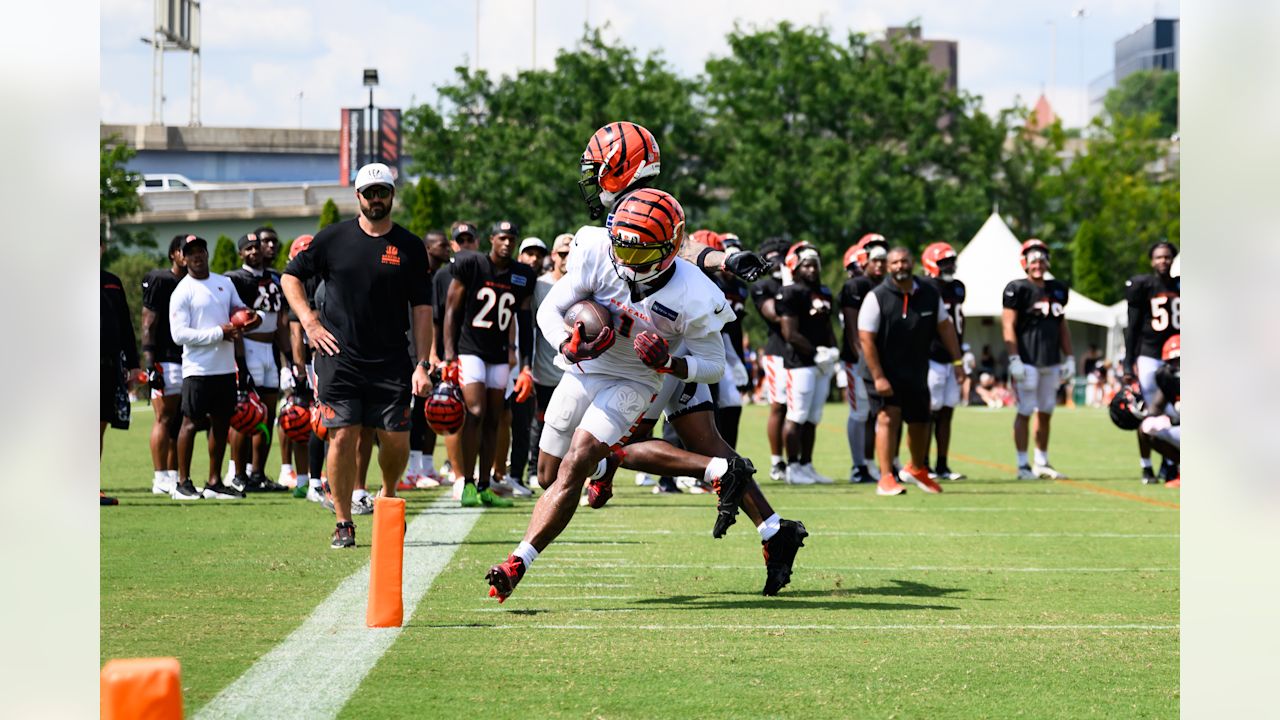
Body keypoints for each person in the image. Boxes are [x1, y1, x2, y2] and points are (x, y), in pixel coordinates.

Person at [547, 121, 805, 596]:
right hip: (666, 343)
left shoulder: (636, 207)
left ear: (620, 168)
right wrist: (722, 260)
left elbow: (679, 247)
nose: (589, 179)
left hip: (658, 348)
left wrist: (720, 261)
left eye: (596, 169)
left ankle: (602, 471)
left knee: (616, 442)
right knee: (706, 441)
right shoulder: (635, 206)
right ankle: (774, 530)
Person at [486, 187, 756, 603]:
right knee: (547, 475)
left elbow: (714, 363)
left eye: (638, 253)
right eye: (622, 249)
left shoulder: (695, 292)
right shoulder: (598, 250)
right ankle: (604, 463)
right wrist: (565, 344)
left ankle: (518, 561)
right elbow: (549, 310)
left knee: (576, 459)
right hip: (582, 368)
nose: (625, 262)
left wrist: (671, 364)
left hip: (635, 379)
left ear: (670, 246)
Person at [281, 163, 434, 549]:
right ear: (358, 196)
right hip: (340, 358)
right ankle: (344, 520)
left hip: (391, 360)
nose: (376, 199)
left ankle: (386, 494)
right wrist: (310, 323)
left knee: (396, 441)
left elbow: (422, 309)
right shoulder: (332, 239)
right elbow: (289, 277)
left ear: (392, 194)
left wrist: (423, 363)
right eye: (369, 193)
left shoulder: (410, 246)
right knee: (343, 436)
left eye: (382, 191)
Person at [441, 220, 536, 508]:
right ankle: (466, 482)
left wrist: (526, 365)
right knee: (476, 411)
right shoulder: (472, 264)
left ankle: (485, 484)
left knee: (495, 418)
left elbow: (524, 320)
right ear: (492, 239)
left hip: (499, 353)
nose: (507, 243)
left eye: (512, 238)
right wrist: (448, 355)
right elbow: (451, 310)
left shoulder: (522, 275)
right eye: (502, 237)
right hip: (471, 349)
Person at [859, 247, 963, 496]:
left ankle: (916, 469)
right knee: (888, 417)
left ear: (912, 263)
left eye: (904, 261)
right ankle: (885, 478)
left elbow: (946, 328)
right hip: (882, 370)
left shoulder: (929, 293)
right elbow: (866, 339)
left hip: (915, 370)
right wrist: (879, 377)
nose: (899, 266)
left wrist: (958, 363)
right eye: (894, 262)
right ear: (887, 267)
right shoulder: (877, 297)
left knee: (921, 422)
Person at [168, 235, 260, 500]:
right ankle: (183, 483)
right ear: (183, 258)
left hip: (225, 368)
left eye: (201, 251)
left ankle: (214, 482)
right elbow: (179, 334)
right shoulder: (182, 291)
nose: (197, 256)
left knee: (221, 425)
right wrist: (217, 333)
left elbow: (239, 311)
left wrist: (253, 318)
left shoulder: (225, 283)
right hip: (197, 368)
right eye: (191, 253)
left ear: (207, 254)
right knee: (190, 423)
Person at [1002, 239, 1074, 480]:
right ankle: (1022, 464)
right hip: (1027, 359)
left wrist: (1070, 357)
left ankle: (1041, 461)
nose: (1038, 264)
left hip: (1051, 360)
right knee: (1025, 410)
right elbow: (1008, 325)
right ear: (1025, 263)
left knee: (1046, 411)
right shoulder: (1017, 288)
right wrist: (1014, 358)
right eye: (1033, 260)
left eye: (1042, 260)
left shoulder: (1058, 289)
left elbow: (1061, 325)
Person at [225, 231, 289, 492]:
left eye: (256, 247)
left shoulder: (275, 277)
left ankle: (258, 473)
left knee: (267, 414)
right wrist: (238, 358)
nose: (254, 251)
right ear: (241, 253)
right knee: (244, 413)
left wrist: (291, 359)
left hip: (270, 350)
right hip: (249, 348)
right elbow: (233, 318)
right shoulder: (234, 279)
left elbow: (282, 321)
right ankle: (238, 473)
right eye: (248, 248)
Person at [776, 243, 838, 485]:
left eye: (815, 265)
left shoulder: (823, 291)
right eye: (807, 265)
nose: (812, 269)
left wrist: (833, 350)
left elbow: (827, 325)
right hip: (800, 363)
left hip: (821, 361)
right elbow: (789, 333)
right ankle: (792, 467)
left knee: (813, 417)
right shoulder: (790, 292)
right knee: (797, 416)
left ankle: (806, 464)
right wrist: (814, 354)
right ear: (796, 267)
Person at [1123, 241, 1180, 484]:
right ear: (1151, 260)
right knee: (1150, 411)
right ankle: (1147, 466)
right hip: (1149, 354)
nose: (1163, 261)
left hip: (1178, 356)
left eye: (1167, 257)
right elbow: (1133, 325)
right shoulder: (1143, 285)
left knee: (1174, 410)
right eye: (1158, 257)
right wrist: (1128, 362)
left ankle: (1171, 464)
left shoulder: (1181, 284)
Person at [432, 221, 479, 491]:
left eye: (469, 239)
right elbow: (436, 320)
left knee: (480, 415)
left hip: (480, 351)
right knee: (451, 411)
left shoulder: (485, 268)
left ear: (477, 241)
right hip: (453, 353)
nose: (464, 245)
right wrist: (436, 355)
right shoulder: (443, 275)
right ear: (453, 244)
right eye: (460, 240)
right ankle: (459, 475)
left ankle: (484, 475)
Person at [140, 234, 187, 496]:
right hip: (166, 358)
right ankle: (160, 477)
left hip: (189, 358)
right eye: (184, 251)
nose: (188, 256)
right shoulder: (162, 279)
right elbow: (148, 322)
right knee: (164, 417)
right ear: (173, 254)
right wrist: (149, 361)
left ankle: (173, 475)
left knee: (180, 421)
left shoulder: (193, 283)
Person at [502, 236, 548, 495]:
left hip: (527, 364)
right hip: (500, 360)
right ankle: (486, 475)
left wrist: (527, 365)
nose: (533, 259)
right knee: (494, 420)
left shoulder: (541, 287)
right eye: (528, 253)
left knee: (522, 422)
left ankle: (516, 475)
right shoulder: (507, 279)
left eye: (538, 254)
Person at [406, 230, 451, 489]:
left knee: (429, 412)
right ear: (427, 248)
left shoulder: (439, 277)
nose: (447, 249)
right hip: (417, 350)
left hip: (433, 352)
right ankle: (411, 470)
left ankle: (426, 465)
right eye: (441, 245)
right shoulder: (417, 274)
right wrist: (429, 354)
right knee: (415, 411)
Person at [527, 233, 573, 488]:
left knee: (574, 426)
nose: (567, 258)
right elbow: (530, 324)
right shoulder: (540, 286)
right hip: (545, 365)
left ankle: (568, 472)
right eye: (562, 253)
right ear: (554, 256)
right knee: (542, 421)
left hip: (575, 368)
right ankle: (534, 469)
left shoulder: (584, 283)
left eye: (571, 253)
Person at [920, 242, 967, 481]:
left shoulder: (958, 287)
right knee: (930, 412)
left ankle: (942, 465)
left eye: (951, 261)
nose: (949, 266)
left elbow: (959, 322)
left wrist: (961, 352)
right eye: (943, 262)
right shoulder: (925, 287)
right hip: (932, 356)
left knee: (947, 411)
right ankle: (923, 463)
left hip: (952, 358)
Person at [101, 240, 142, 506]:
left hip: (108, 364)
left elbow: (126, 325)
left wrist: (134, 364)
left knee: (98, 425)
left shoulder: (112, 281)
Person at [748, 238, 793, 481]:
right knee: (779, 405)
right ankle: (777, 462)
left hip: (802, 353)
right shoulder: (762, 286)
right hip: (778, 352)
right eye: (772, 258)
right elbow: (775, 315)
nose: (778, 263)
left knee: (800, 412)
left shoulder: (800, 283)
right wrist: (788, 287)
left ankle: (799, 463)